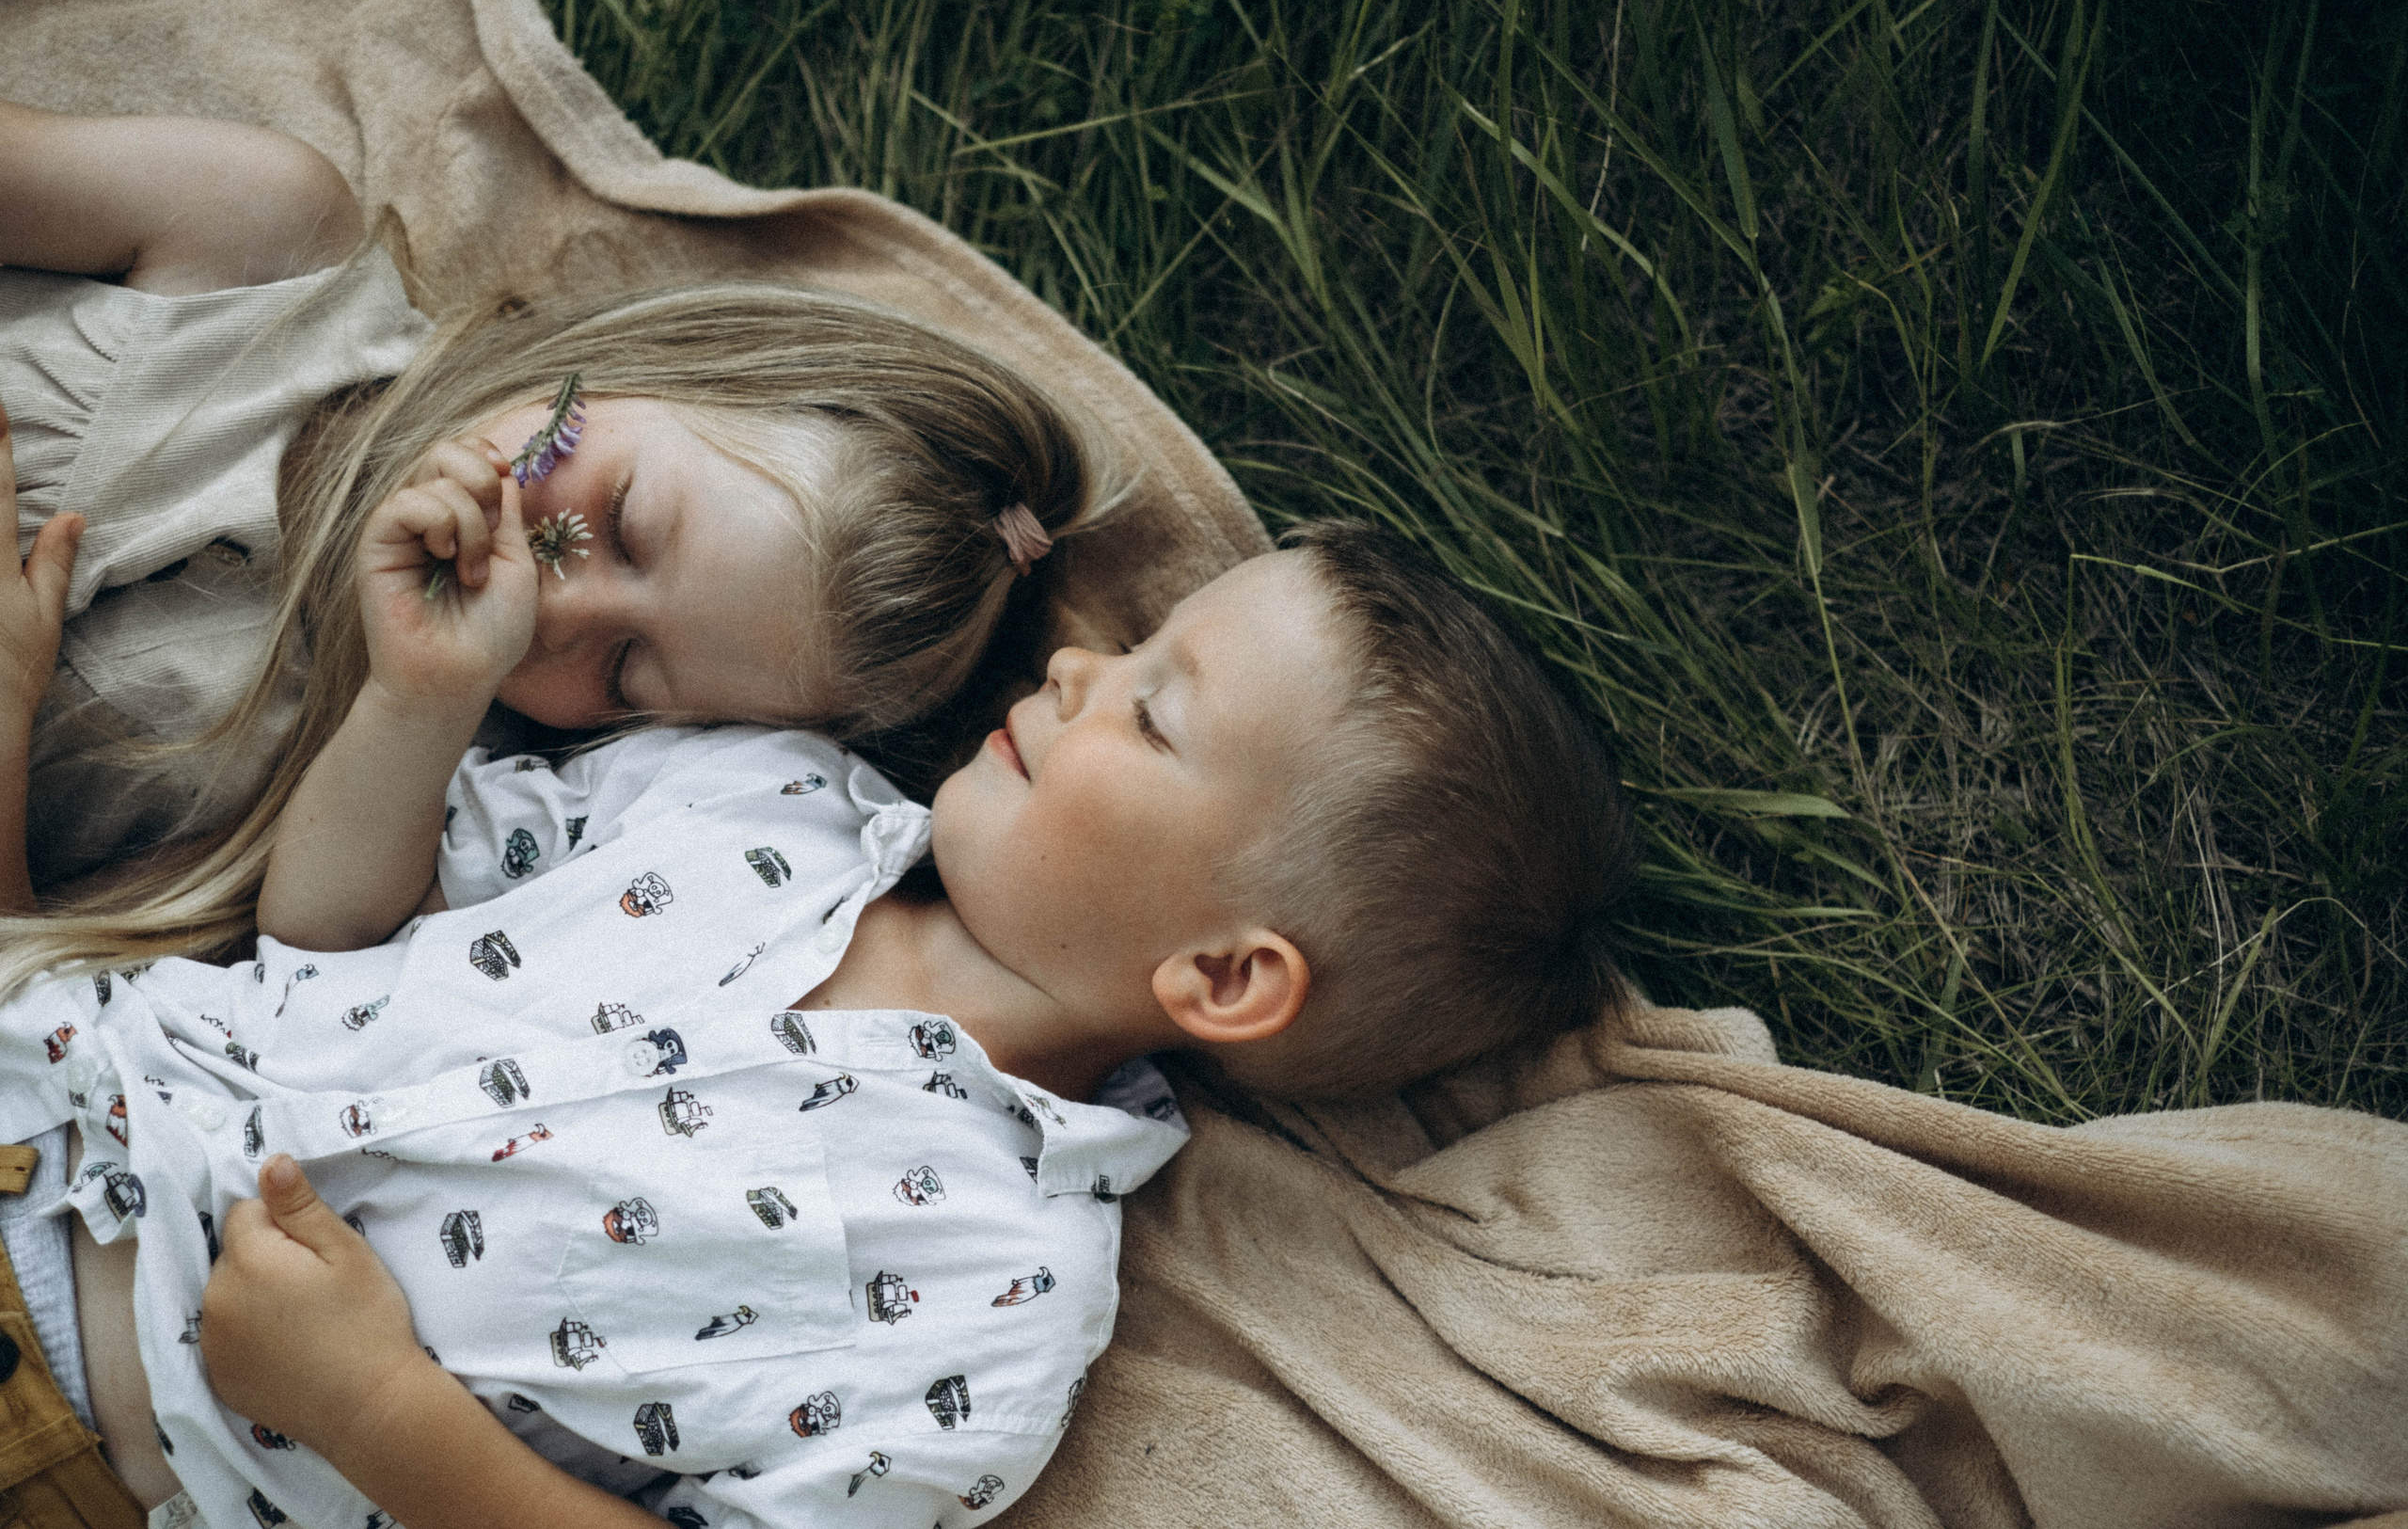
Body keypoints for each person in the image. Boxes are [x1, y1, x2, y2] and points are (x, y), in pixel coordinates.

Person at [0, 520, 1633, 1527]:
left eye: (1152, 704)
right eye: (1125, 641)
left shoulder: (992, 1306)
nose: (1074, 661)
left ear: (1222, 977)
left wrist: (375, 1410)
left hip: (85, 1433)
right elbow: (324, 928)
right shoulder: (757, 791)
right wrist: (417, 702)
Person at [0, 99, 1110, 924]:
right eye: (622, 519)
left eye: (626, 671)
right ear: (652, 359)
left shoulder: (343, 809)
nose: (552, 597)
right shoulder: (254, 238)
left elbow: (34, 1009)